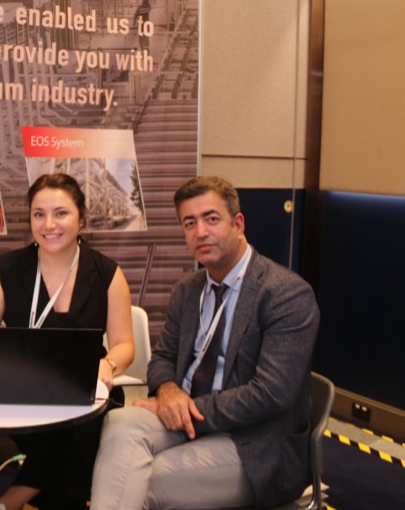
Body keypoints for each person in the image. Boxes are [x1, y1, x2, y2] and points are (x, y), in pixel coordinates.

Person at [91, 176, 320, 509]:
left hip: (254, 443)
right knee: (118, 424)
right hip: (187, 419)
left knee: (135, 480)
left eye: (211, 219)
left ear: (238, 224)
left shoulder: (285, 294)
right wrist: (168, 391)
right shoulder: (188, 290)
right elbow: (163, 359)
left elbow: (270, 394)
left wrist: (188, 409)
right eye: (189, 223)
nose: (200, 232)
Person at [0, 173, 135, 510]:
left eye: (61, 213)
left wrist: (108, 364)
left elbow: (124, 345)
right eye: (39, 214)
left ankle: (9, 502)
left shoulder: (107, 273)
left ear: (81, 217)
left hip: (87, 388)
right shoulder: (7, 269)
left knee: (80, 421)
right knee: (74, 440)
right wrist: (2, 349)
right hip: (22, 392)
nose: (49, 225)